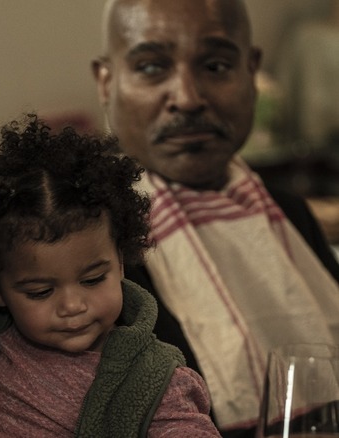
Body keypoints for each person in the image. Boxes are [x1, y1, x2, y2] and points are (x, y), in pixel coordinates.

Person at [91, 0, 339, 436]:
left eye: (217, 65)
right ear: (106, 82)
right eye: (151, 67)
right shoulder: (89, 244)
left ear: (253, 72)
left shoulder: (290, 215)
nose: (187, 98)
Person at [0, 116, 220, 437]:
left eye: (93, 280)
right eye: (41, 291)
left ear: (121, 264)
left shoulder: (155, 380)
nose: (72, 306)